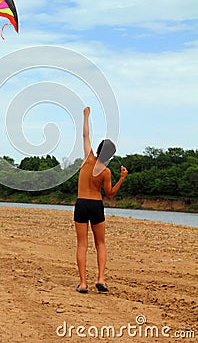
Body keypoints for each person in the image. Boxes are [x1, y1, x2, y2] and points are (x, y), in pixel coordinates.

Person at [74, 106, 128, 293]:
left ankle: (82, 283)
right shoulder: (106, 171)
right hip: (96, 205)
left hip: (81, 203)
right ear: (110, 156)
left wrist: (86, 116)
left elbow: (85, 136)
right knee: (100, 243)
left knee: (82, 244)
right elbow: (110, 194)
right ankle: (101, 279)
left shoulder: (88, 159)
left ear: (97, 149)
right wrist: (122, 178)